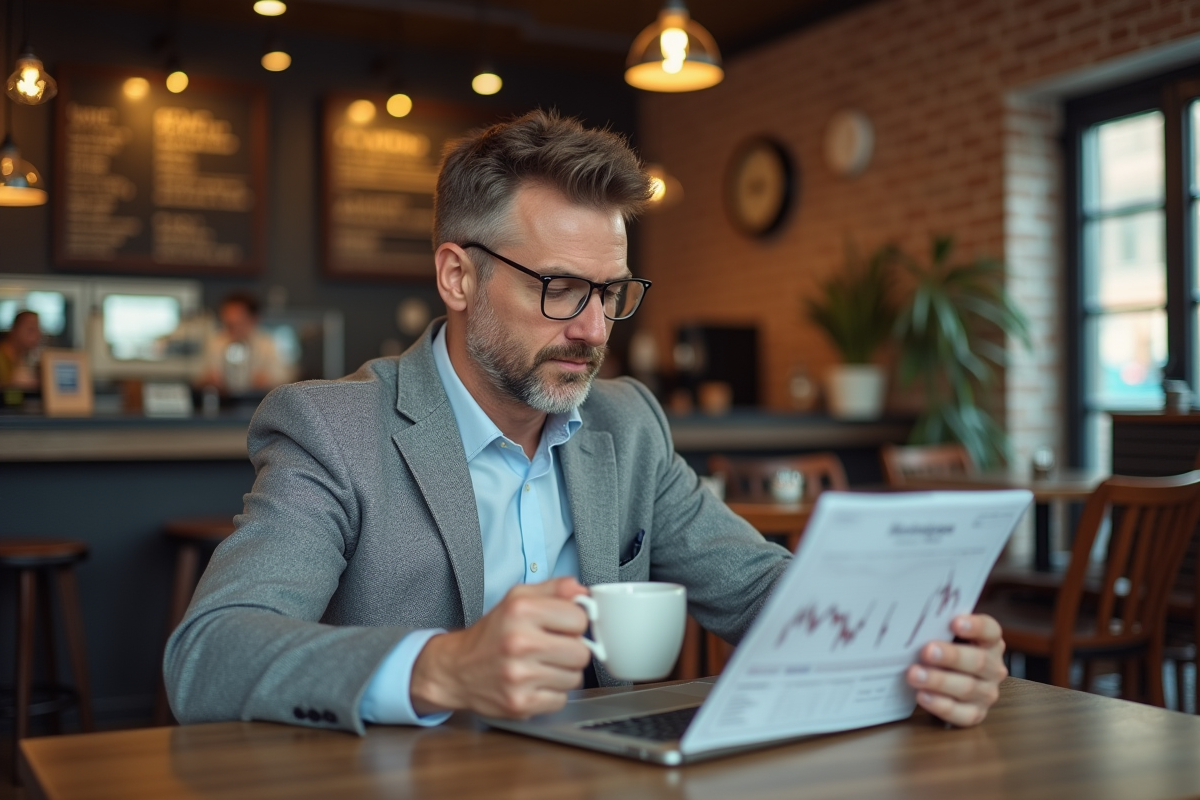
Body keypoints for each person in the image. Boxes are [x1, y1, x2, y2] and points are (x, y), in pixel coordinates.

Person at [166, 110, 1007, 734]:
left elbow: (756, 588)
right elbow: (209, 653)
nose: (595, 330)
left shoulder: (626, 424)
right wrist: (442, 667)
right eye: (561, 288)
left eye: (610, 293)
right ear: (457, 277)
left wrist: (922, 649)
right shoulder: (333, 429)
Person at [197, 292, 289, 394]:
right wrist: (209, 380)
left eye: (239, 323)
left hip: (258, 400)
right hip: (224, 400)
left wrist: (268, 380)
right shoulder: (215, 343)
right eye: (229, 325)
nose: (235, 329)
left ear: (254, 319)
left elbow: (282, 378)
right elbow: (200, 376)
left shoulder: (267, 344)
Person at [0, 310, 41, 390]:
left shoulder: (24, 358)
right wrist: (10, 384)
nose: (38, 335)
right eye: (31, 329)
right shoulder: (2, 359)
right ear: (14, 329)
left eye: (38, 330)